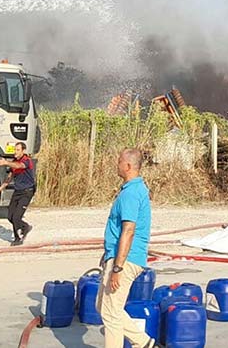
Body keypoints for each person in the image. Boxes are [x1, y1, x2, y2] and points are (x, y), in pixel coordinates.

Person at [97, 149, 155, 348]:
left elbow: (128, 231)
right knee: (102, 306)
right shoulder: (133, 189)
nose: (116, 163)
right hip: (118, 256)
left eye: (119, 161)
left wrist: (117, 268)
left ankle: (142, 343)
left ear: (128, 166)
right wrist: (108, 256)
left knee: (111, 314)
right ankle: (144, 343)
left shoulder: (131, 194)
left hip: (126, 259)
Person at [0, 145, 36, 246]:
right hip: (18, 191)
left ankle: (18, 238)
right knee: (10, 216)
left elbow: (20, 166)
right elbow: (9, 178)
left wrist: (6, 162)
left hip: (27, 191)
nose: (15, 152)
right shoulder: (14, 162)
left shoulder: (27, 160)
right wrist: (0, 188)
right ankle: (25, 226)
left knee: (16, 217)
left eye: (18, 150)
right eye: (15, 150)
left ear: (23, 151)